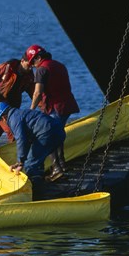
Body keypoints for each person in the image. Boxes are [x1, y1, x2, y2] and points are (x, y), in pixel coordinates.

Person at [24, 44, 79, 182]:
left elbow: (37, 92)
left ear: (38, 57)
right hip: (67, 106)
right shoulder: (59, 65)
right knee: (57, 134)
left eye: (33, 62)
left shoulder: (42, 70)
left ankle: (56, 169)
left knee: (48, 136)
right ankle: (62, 164)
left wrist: (31, 110)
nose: (33, 66)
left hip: (55, 107)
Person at [0, 102, 66, 200]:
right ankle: (44, 182)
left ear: (3, 118)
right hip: (59, 131)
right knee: (37, 161)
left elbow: (21, 139)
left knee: (30, 165)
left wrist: (20, 162)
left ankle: (38, 196)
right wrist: (21, 161)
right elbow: (27, 141)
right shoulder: (20, 113)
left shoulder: (13, 119)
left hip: (47, 133)